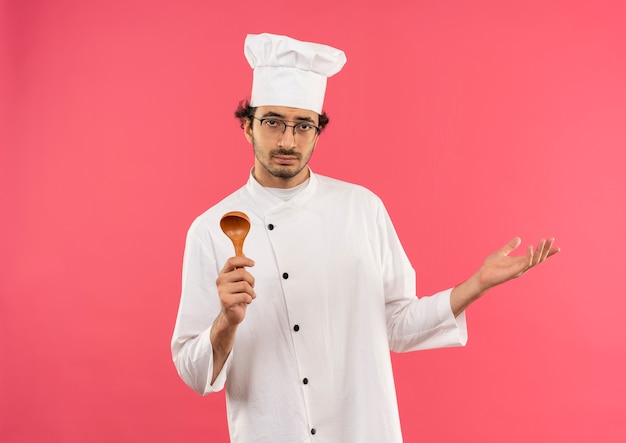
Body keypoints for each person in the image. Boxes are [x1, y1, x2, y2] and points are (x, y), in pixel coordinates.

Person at [171, 33, 559, 442]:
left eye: (303, 125)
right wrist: (226, 323)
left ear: (318, 132)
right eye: (272, 122)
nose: (287, 140)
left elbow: (396, 324)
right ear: (248, 127)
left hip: (363, 429)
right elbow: (195, 374)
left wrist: (476, 284)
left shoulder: (362, 208)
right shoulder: (212, 228)